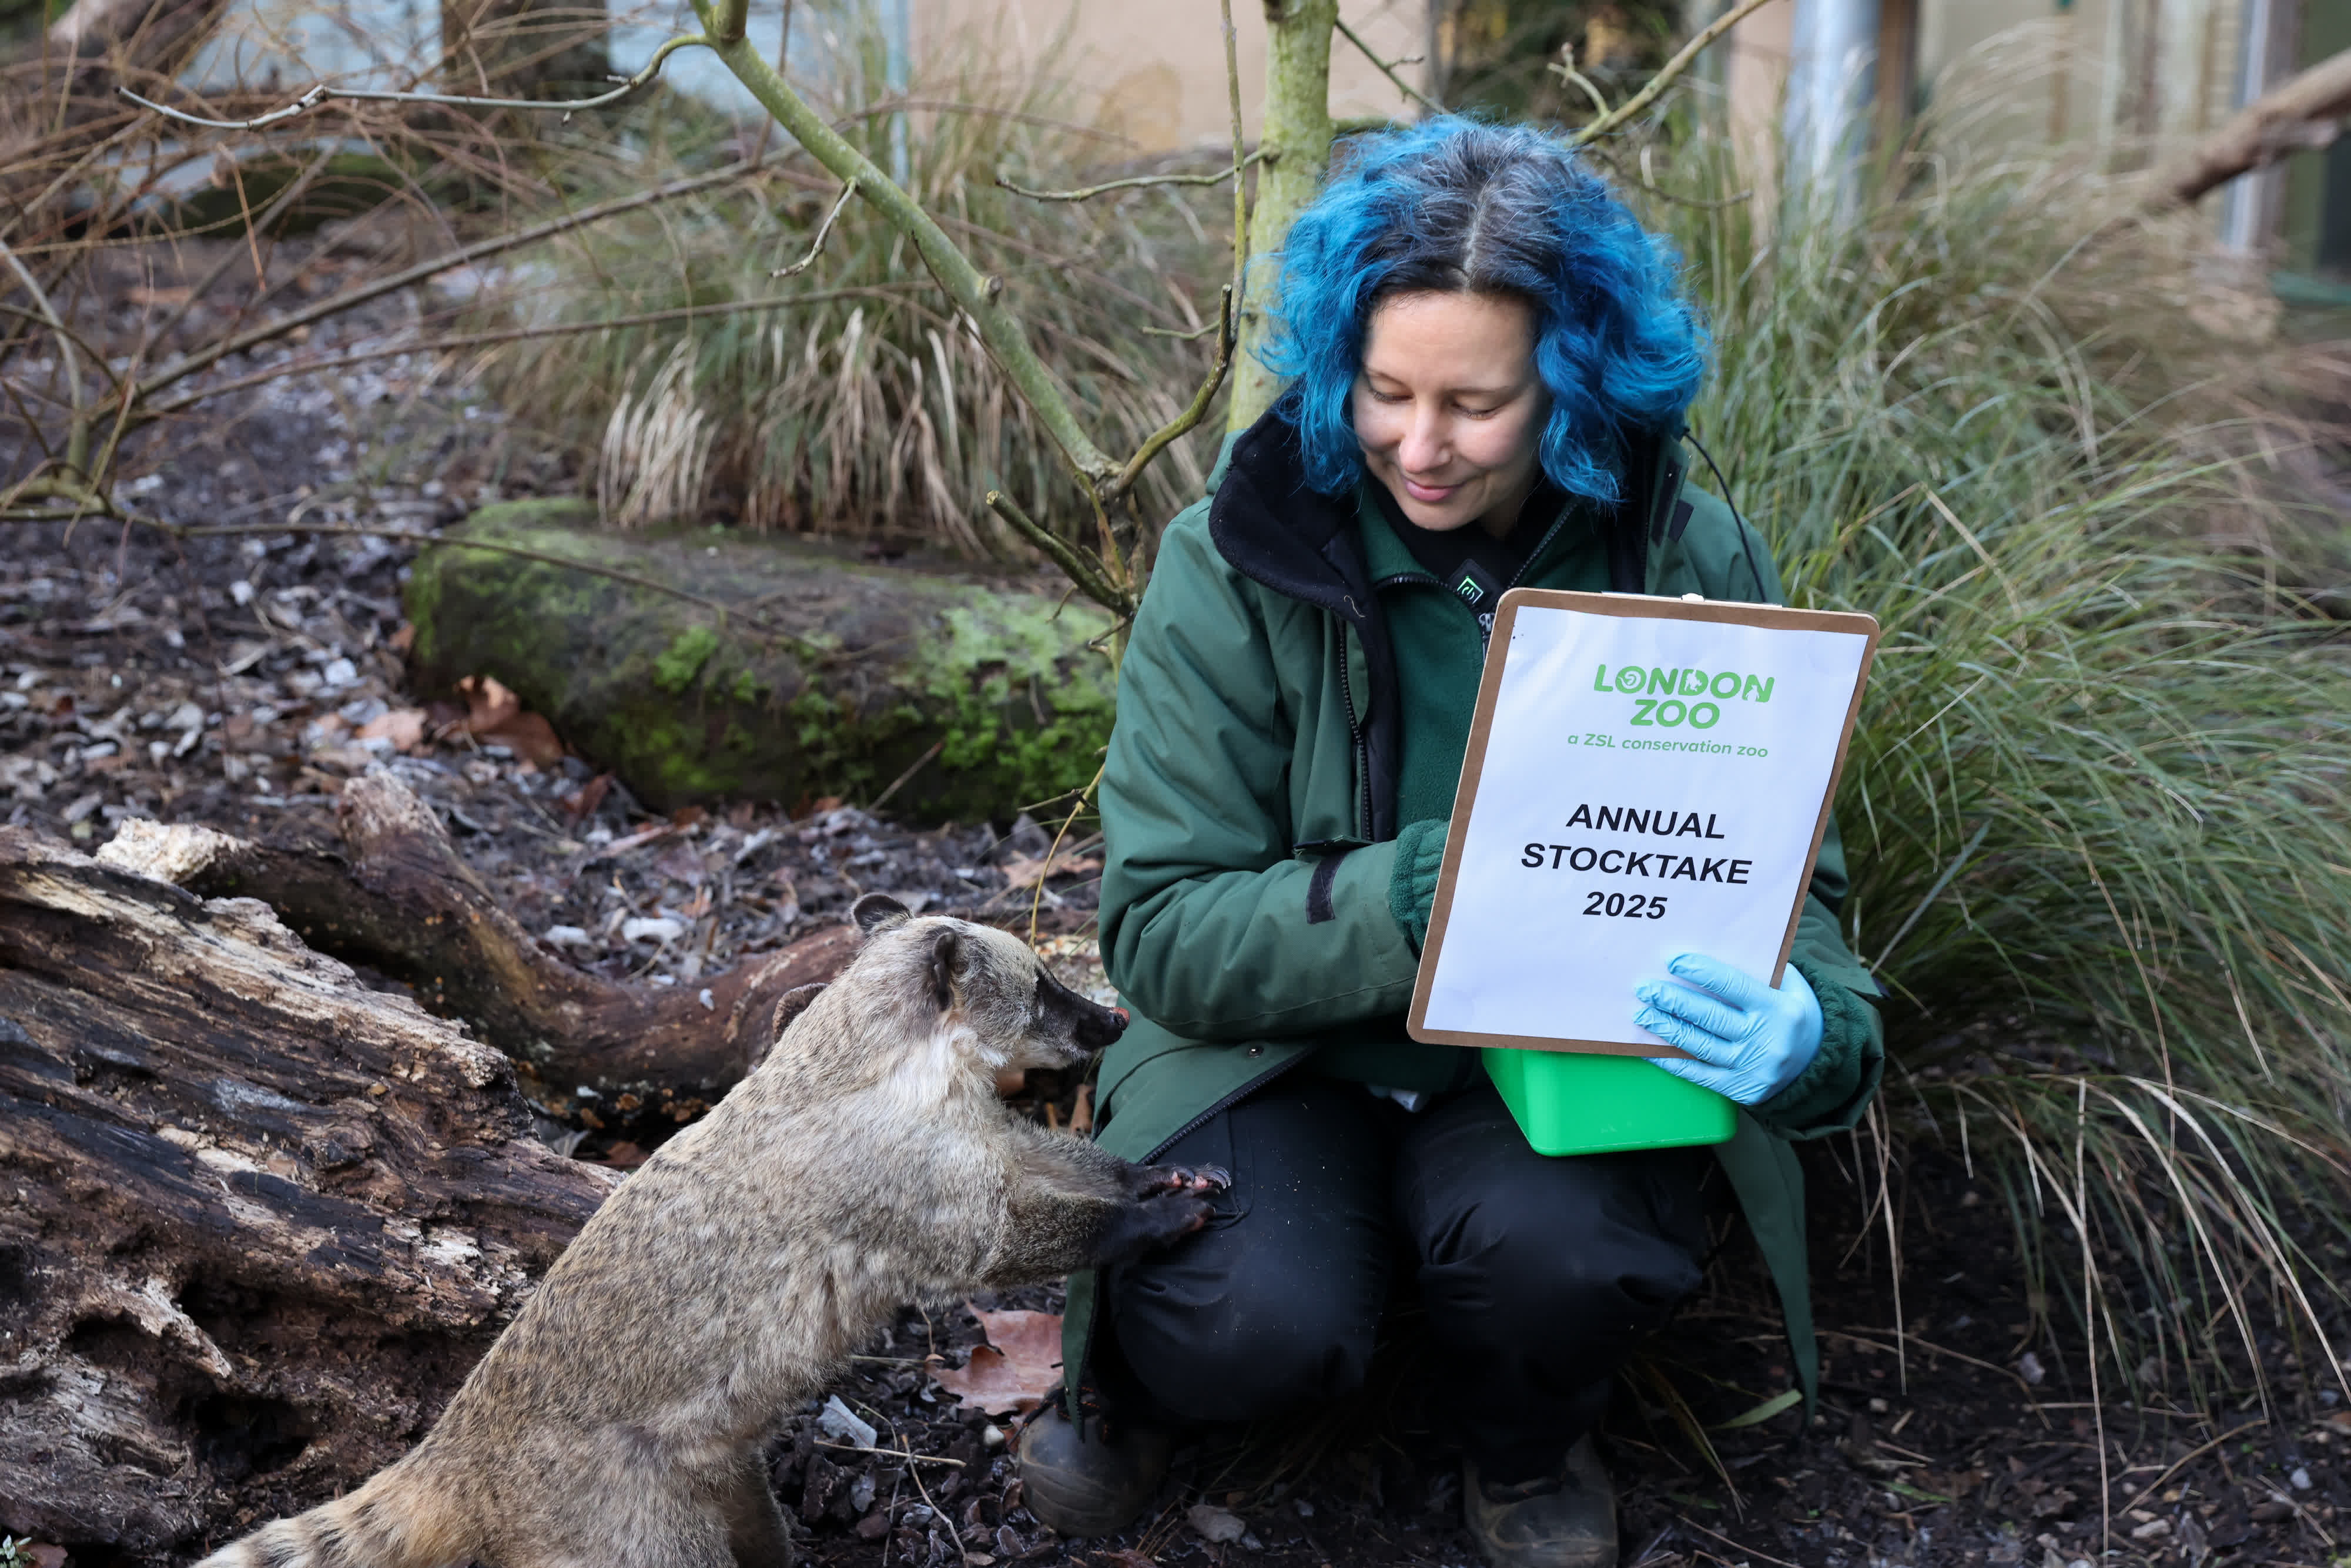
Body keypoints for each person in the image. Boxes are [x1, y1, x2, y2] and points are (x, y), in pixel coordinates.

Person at [1015, 118, 1884, 1568]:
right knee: (1249, 1318)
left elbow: (1788, 889)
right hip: (1277, 1051)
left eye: (1476, 405)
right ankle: (1145, 1388)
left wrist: (1813, 1035)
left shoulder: (1685, 556)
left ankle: (1526, 1443)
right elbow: (1159, 929)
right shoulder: (1230, 556)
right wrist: (1440, 879)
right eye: (1382, 389)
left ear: (1574, 383)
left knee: (1568, 1252)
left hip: (1552, 1052)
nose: (1416, 447)